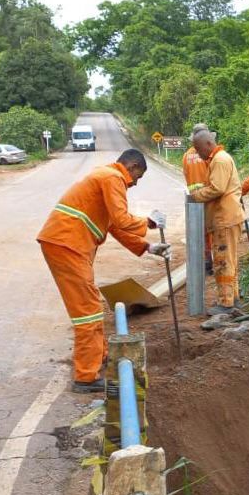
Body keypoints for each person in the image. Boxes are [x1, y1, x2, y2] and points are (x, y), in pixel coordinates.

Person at [37, 149, 171, 393]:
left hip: (68, 244)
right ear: (130, 166)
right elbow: (121, 220)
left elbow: (114, 227)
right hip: (67, 244)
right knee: (87, 311)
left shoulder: (105, 177)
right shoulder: (112, 178)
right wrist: (148, 222)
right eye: (136, 178)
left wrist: (149, 247)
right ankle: (85, 377)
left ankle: (99, 358)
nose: (133, 184)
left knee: (90, 307)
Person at [189, 131, 245, 315]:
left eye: (198, 149)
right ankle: (233, 299)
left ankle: (226, 303)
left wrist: (196, 196)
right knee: (230, 260)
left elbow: (217, 188)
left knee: (222, 261)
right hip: (228, 217)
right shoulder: (220, 158)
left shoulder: (219, 160)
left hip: (224, 218)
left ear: (207, 143)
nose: (198, 153)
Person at [182, 123, 213, 273]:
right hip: (207, 195)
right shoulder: (208, 155)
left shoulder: (186, 155)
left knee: (198, 231)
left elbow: (186, 175)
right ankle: (209, 261)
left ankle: (202, 260)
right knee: (210, 230)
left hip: (193, 197)